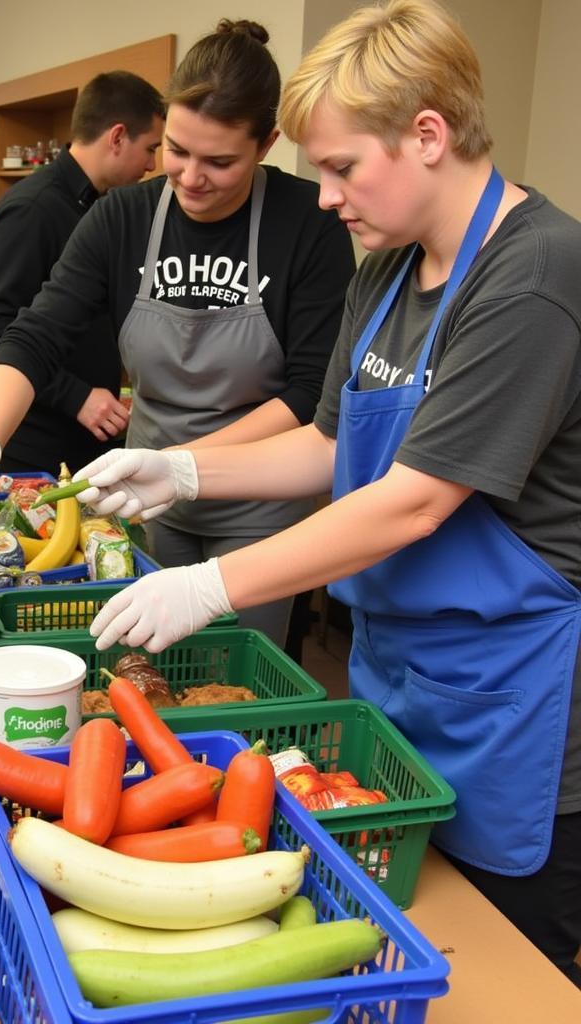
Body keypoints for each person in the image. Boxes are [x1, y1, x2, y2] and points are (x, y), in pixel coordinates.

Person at [63, 0, 581, 983]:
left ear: (428, 134)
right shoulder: (384, 274)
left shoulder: (533, 276)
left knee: (500, 972)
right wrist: (180, 468)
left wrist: (212, 583)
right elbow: (325, 448)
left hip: (513, 705)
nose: (327, 196)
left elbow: (414, 501)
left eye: (342, 166)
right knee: (391, 941)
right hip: (398, 683)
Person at [0, 19, 356, 648]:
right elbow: (32, 337)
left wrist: (184, 466)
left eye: (220, 161)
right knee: (149, 670)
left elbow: (311, 394)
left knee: (236, 673)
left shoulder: (308, 225)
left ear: (267, 144)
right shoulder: (121, 218)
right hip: (145, 501)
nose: (191, 176)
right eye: (176, 149)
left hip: (261, 503)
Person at [0, 71, 164, 476]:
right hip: (32, 442)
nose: (151, 165)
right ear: (116, 137)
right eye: (151, 148)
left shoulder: (101, 210)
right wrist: (76, 396)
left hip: (81, 436)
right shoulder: (33, 210)